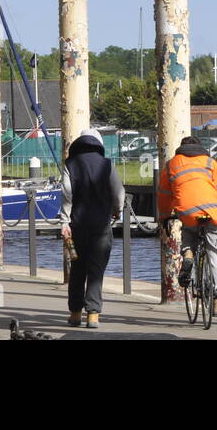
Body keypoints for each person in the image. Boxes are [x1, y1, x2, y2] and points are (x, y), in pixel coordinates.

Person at [157, 134, 217, 317]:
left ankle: (188, 255)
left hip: (187, 211)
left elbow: (164, 194)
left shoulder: (172, 164)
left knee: (188, 232)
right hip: (212, 210)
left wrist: (165, 217)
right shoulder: (210, 163)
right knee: (215, 251)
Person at [60, 129, 123, 329]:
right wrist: (116, 210)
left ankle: (75, 314)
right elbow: (118, 192)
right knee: (96, 270)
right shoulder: (106, 165)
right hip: (101, 226)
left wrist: (64, 222)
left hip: (77, 226)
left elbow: (67, 195)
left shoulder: (70, 165)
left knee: (77, 269)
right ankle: (93, 315)